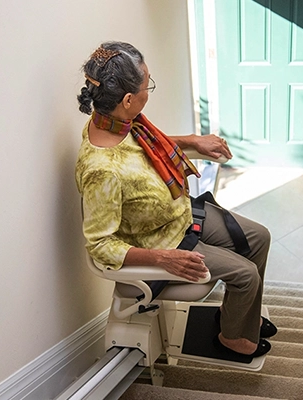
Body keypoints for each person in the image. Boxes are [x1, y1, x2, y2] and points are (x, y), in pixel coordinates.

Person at [75, 41, 276, 358]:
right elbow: (100, 246)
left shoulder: (114, 120)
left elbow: (146, 147)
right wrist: (162, 260)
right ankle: (233, 339)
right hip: (159, 242)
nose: (148, 91)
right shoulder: (102, 171)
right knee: (246, 274)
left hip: (180, 216)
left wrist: (192, 141)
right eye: (147, 86)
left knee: (259, 237)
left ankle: (239, 319)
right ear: (128, 100)